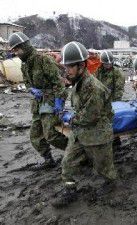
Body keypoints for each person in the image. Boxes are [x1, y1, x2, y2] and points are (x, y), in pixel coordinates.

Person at [52, 41, 118, 208]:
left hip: (97, 133)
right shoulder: (78, 83)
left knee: (104, 168)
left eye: (69, 67)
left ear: (81, 65)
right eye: (65, 66)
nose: (66, 70)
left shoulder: (94, 88)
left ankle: (110, 183)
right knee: (67, 162)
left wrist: (69, 118)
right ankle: (70, 190)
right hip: (80, 132)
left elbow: (89, 116)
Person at [8, 32, 68, 169]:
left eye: (17, 49)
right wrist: (32, 89)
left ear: (25, 46)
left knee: (51, 135)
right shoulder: (25, 65)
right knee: (35, 135)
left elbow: (59, 84)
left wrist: (59, 102)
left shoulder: (43, 60)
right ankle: (48, 160)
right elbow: (27, 82)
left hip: (52, 99)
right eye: (14, 50)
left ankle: (78, 151)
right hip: (38, 101)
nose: (16, 53)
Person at [94, 50, 125, 147]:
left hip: (112, 101)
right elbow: (94, 84)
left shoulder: (117, 73)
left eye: (110, 63)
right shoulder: (98, 72)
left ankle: (116, 140)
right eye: (106, 64)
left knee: (111, 121)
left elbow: (119, 90)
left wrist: (115, 103)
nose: (108, 65)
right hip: (100, 101)